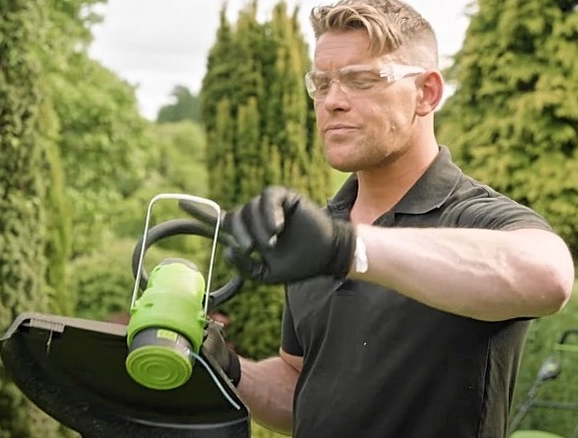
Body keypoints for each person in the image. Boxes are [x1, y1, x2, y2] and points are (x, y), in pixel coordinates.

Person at [199, 1, 575, 437]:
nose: (333, 102)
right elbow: (304, 389)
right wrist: (226, 366)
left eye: (361, 80)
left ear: (427, 93)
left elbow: (549, 276)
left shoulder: (474, 217)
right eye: (321, 84)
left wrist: (348, 249)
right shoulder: (318, 232)